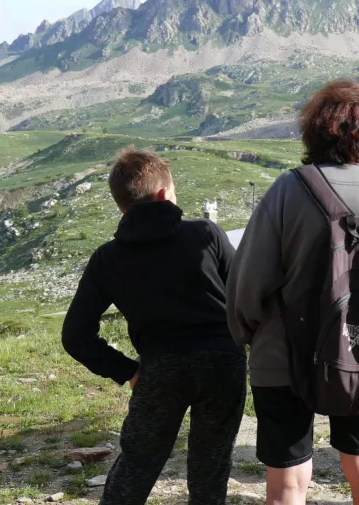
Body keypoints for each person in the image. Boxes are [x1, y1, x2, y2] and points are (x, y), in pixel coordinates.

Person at [227, 80, 359, 505]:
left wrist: (248, 335)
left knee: (288, 484)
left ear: (315, 128)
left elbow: (248, 282)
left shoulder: (289, 189)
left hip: (283, 355)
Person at [62, 148, 245, 505]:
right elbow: (247, 296)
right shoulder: (207, 234)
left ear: (121, 206)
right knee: (211, 466)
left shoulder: (107, 258)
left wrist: (128, 371)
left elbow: (75, 336)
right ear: (164, 194)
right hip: (223, 362)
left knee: (138, 464)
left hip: (161, 368)